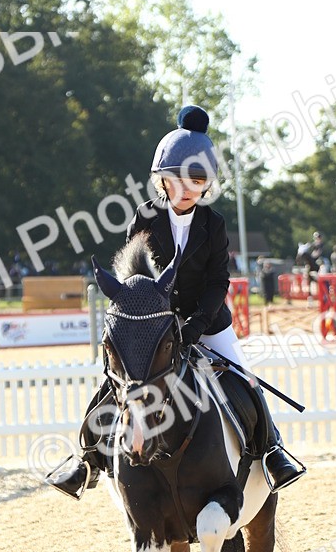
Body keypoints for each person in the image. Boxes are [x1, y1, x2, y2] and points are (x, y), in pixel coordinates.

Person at [48, 105, 306, 499]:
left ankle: (271, 451)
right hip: (153, 324)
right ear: (162, 180)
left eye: (197, 180)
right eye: (178, 179)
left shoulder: (213, 224)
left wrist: (198, 323)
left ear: (207, 185)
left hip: (207, 322)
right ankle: (87, 461)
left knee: (246, 381)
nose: (187, 188)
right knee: (113, 384)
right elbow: (134, 275)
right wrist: (149, 320)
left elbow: (219, 280)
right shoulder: (144, 217)